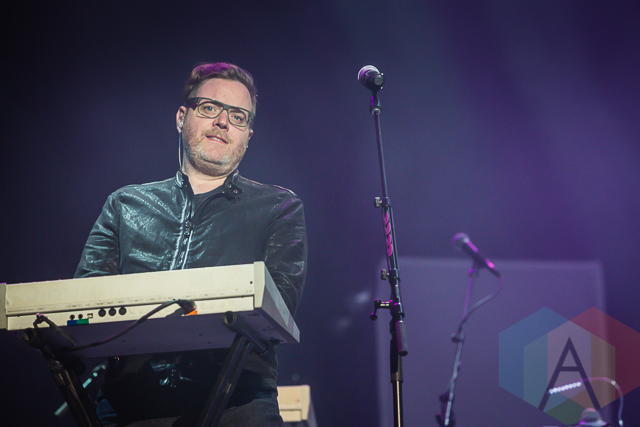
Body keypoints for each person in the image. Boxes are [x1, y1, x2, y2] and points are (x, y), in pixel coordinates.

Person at [74, 62, 308, 426]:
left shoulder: (279, 207)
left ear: (248, 135)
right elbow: (83, 305)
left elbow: (279, 305)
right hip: (131, 401)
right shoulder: (125, 204)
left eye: (238, 116)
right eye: (210, 108)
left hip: (238, 402)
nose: (223, 122)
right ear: (182, 118)